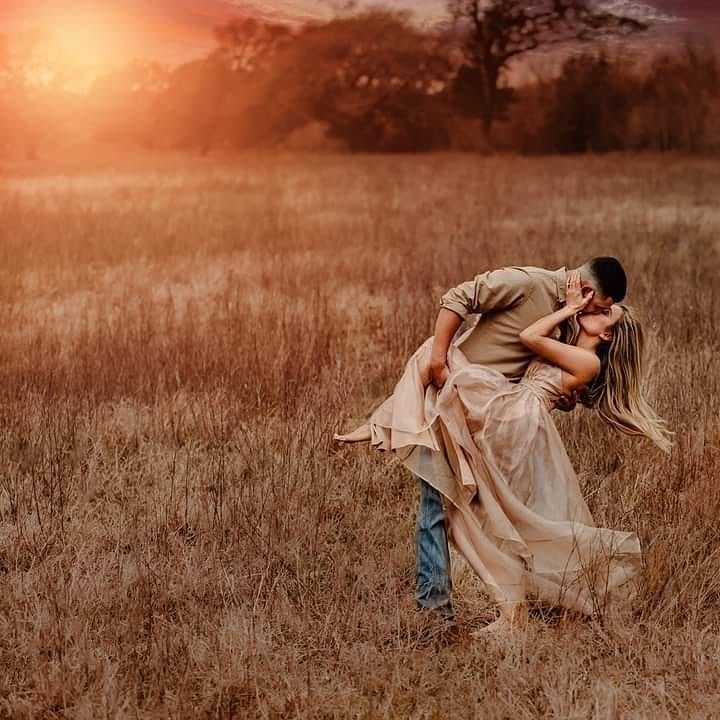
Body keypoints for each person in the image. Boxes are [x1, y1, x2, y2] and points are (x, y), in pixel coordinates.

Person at [335, 260, 671, 629]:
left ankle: (381, 428)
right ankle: (381, 426)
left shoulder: (575, 335)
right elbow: (471, 305)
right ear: (591, 293)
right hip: (505, 407)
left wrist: (570, 311)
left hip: (508, 415)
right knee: (483, 512)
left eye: (605, 313)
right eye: (602, 307)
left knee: (485, 513)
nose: (596, 312)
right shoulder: (540, 297)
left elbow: (533, 343)